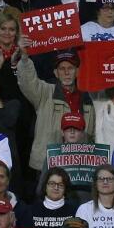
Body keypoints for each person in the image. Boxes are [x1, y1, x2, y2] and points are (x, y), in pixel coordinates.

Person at [16, 49, 95, 181]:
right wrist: (24, 59)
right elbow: (27, 82)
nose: (66, 72)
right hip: (46, 166)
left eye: (70, 68)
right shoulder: (45, 92)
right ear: (55, 73)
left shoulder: (88, 99)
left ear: (77, 72)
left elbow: (92, 134)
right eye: (62, 68)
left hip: (79, 167)